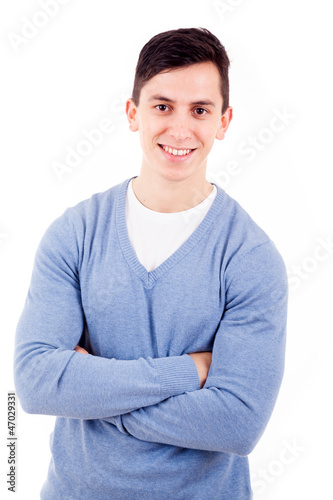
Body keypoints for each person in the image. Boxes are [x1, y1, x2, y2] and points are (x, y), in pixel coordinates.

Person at [14, 27, 288, 499]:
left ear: (223, 122)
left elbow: (237, 422)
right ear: (132, 113)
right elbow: (38, 383)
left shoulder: (250, 258)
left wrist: (90, 393)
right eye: (162, 106)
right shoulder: (74, 234)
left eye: (199, 110)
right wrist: (191, 371)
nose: (180, 130)